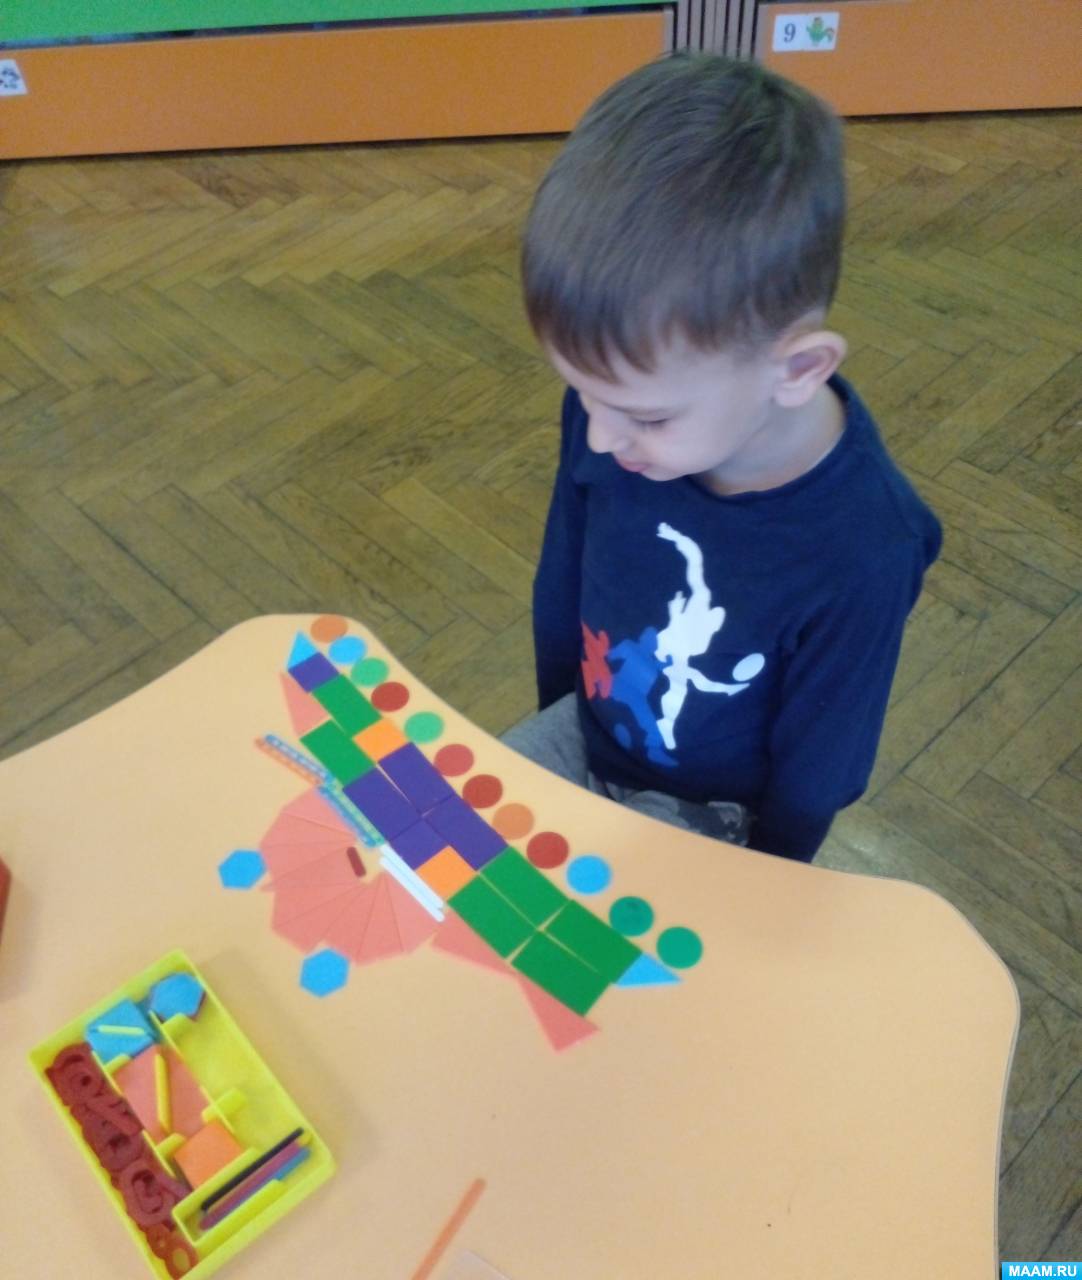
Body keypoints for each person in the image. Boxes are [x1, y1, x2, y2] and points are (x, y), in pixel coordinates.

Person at [502, 52, 942, 862]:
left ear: (797, 370)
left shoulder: (866, 548)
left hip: (717, 819)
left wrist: (767, 886)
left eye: (647, 416)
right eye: (581, 393)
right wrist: (561, 739)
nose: (598, 437)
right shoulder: (614, 410)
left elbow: (821, 766)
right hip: (582, 734)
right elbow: (560, 586)